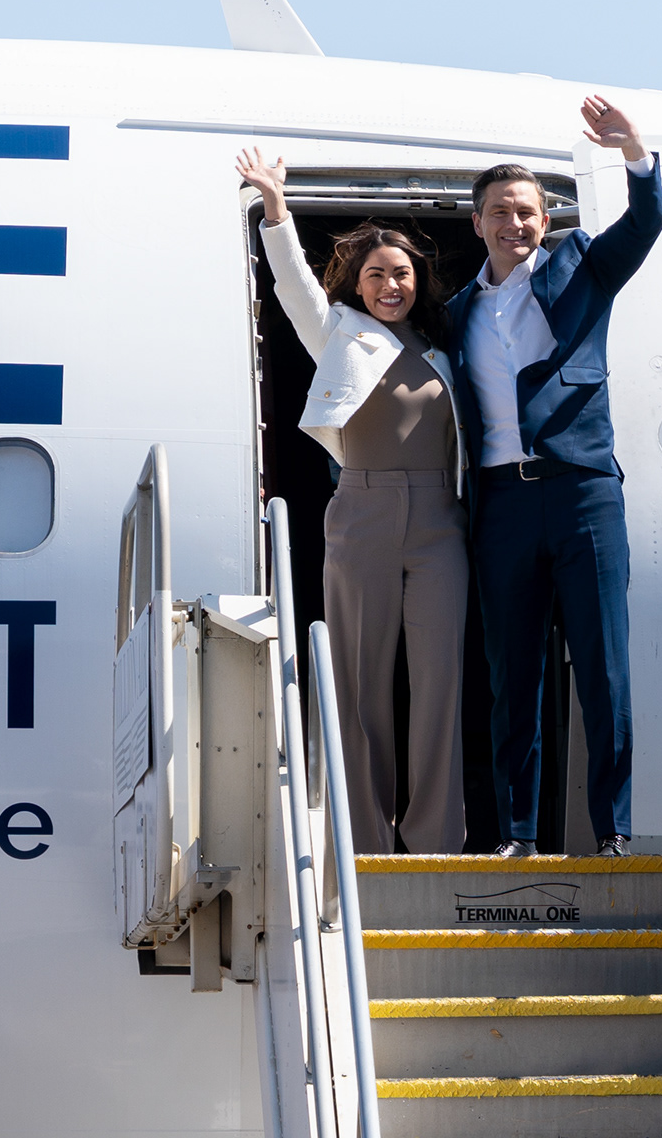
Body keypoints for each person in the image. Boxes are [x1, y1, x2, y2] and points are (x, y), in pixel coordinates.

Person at [444, 96, 662, 858]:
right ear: (477, 223)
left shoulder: (583, 267)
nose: (515, 223)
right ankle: (518, 833)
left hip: (582, 491)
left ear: (545, 219)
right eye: (500, 212)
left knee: (604, 666)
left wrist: (634, 152)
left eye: (527, 212)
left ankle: (614, 829)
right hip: (502, 501)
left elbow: (647, 222)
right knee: (514, 676)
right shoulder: (458, 311)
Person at [235, 147, 468, 855]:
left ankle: (434, 838)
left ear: (417, 279)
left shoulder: (444, 346)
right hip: (362, 512)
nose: (390, 285)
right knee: (360, 681)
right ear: (358, 284)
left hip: (441, 520)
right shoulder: (338, 331)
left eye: (401, 274)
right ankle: (364, 837)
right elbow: (294, 285)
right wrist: (276, 208)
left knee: (439, 682)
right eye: (376, 275)